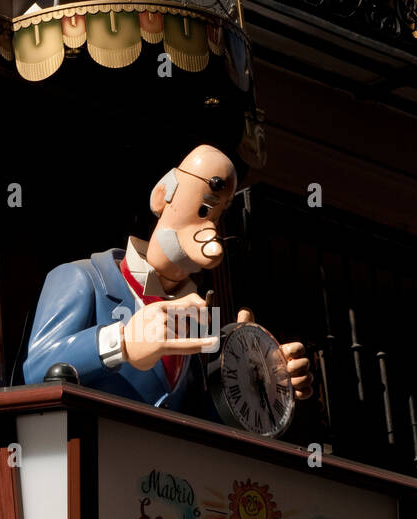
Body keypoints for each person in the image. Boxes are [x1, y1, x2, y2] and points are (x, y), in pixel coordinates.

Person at [22, 145, 312, 419]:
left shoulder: (200, 319)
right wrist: (120, 342)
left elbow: (197, 416)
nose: (211, 228)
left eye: (218, 215)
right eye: (203, 209)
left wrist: (259, 384)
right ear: (162, 196)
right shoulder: (83, 278)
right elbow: (37, 370)